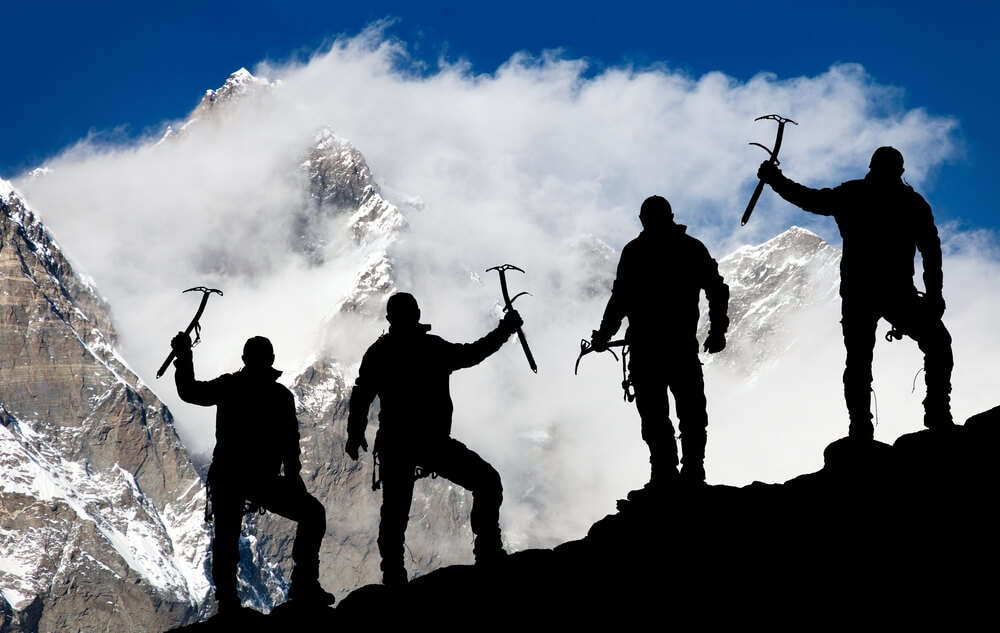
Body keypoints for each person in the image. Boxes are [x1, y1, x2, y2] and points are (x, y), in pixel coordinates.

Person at [757, 146, 955, 439]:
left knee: (860, 360)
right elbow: (931, 251)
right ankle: (936, 412)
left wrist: (775, 180)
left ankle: (861, 427)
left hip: (860, 292)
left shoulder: (853, 195)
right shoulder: (911, 203)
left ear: (872, 167)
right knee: (936, 343)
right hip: (894, 292)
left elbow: (809, 199)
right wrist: (935, 295)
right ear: (900, 171)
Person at [346, 292, 522, 586]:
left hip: (397, 445)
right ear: (417, 313)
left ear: (390, 319)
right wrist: (505, 330)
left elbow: (362, 393)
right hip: (432, 443)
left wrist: (355, 434)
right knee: (487, 481)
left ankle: (393, 575)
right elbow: (473, 353)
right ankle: (488, 552)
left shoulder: (379, 352)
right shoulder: (432, 347)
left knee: (394, 514)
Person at [170, 332, 334, 612]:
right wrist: (294, 481)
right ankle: (304, 583)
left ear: (245, 359)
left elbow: (190, 391)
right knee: (312, 514)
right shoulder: (280, 396)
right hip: (263, 480)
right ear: (271, 360)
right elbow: (290, 444)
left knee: (226, 537)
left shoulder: (230, 386)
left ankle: (228, 600)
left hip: (230, 477)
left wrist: (184, 357)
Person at [590, 195, 729, 485]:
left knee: (658, 417)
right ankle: (689, 471)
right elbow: (716, 288)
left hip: (647, 349)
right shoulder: (689, 248)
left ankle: (666, 473)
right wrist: (717, 330)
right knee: (687, 414)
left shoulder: (635, 252)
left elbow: (620, 299)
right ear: (671, 215)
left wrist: (604, 335)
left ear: (643, 219)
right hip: (678, 347)